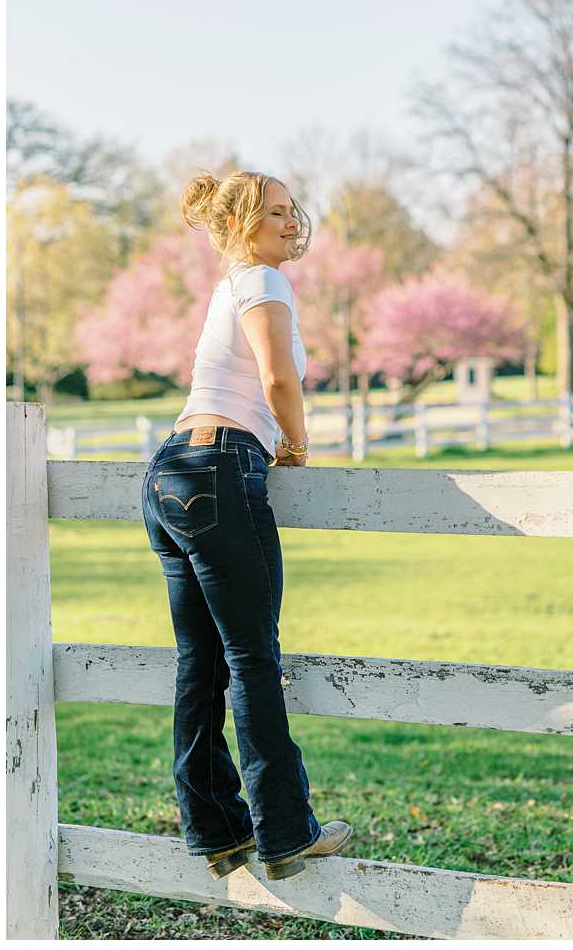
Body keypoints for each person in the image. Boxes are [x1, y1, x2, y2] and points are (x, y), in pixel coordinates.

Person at [141, 169, 351, 881]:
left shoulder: (231, 286)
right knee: (253, 657)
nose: (292, 224)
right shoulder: (262, 283)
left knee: (198, 662)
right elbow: (277, 381)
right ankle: (286, 832)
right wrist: (294, 444)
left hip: (170, 471)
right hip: (224, 469)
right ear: (239, 227)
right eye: (275, 214)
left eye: (294, 211)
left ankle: (217, 833)